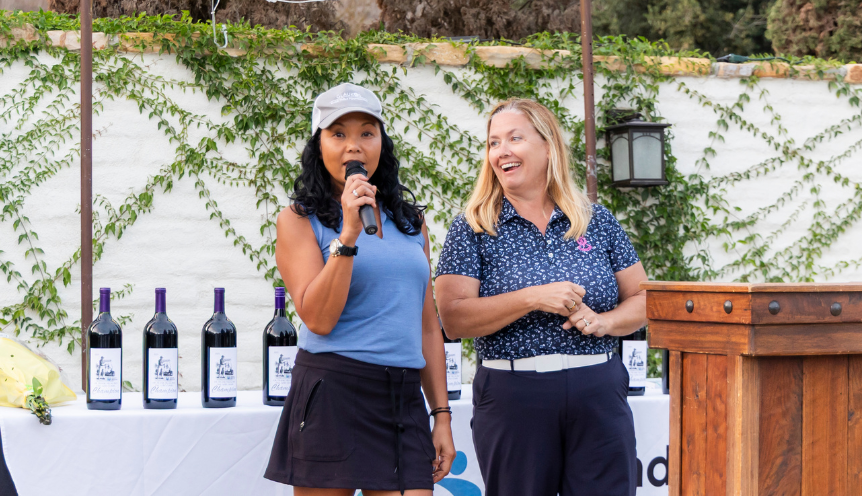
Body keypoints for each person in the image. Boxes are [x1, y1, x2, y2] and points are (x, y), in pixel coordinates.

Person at [435, 99, 647, 496]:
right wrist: (532, 297)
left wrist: (605, 322)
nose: (502, 151)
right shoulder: (473, 227)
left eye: (515, 138)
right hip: (514, 396)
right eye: (494, 142)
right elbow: (454, 318)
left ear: (548, 146)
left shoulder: (596, 219)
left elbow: (642, 297)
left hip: (598, 389)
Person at [265, 83, 456, 496]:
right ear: (319, 145)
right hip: (333, 390)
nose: (354, 146)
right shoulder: (299, 220)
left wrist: (441, 414)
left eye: (367, 133)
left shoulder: (410, 223)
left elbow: (426, 325)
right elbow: (318, 317)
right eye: (339, 134)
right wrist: (348, 235)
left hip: (401, 395)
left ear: (382, 144)